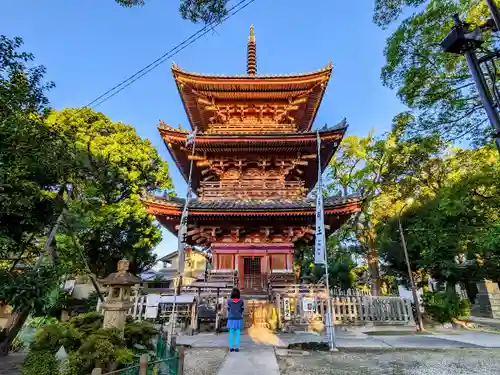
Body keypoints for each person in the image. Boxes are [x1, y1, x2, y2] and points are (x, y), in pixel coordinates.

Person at [227, 287, 244, 352]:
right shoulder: (241, 301)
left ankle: (231, 348)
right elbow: (242, 309)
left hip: (231, 318)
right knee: (237, 333)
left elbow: (228, 309)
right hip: (238, 318)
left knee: (231, 333)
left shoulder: (229, 301)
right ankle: (237, 348)